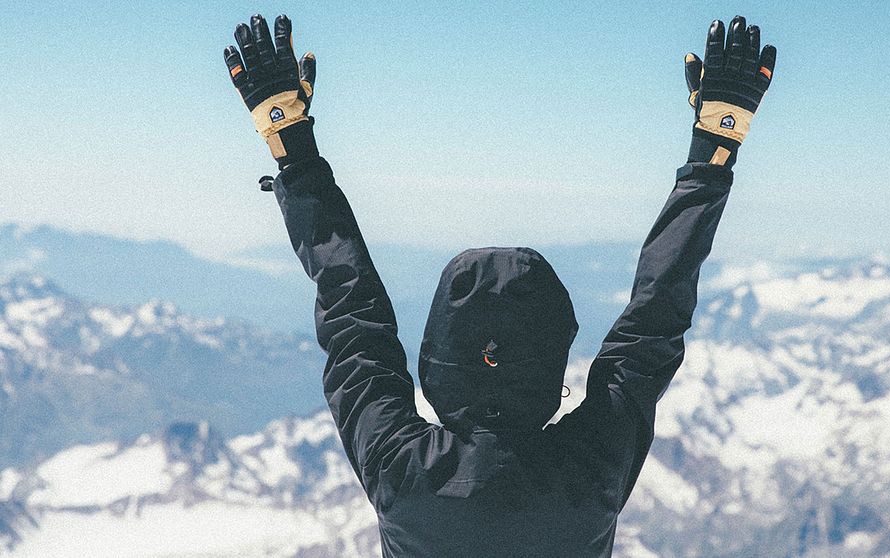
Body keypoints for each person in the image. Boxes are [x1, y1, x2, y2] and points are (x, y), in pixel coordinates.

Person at [223, 13, 775, 557]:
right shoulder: (587, 475)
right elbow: (653, 323)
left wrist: (291, 145)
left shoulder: (404, 472)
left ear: (436, 358)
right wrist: (713, 150)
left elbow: (352, 316)